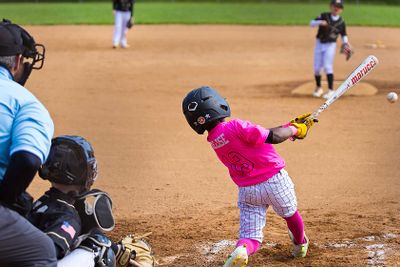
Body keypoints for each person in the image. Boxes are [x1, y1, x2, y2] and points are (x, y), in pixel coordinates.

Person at [182, 86, 317, 266]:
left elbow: (265, 136)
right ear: (216, 104)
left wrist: (287, 126)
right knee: (290, 214)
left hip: (248, 190)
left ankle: (242, 249)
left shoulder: (214, 139)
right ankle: (300, 244)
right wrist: (295, 130)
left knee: (250, 236)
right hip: (275, 181)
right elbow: (274, 137)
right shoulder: (235, 125)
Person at [28, 135, 155, 267]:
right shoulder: (67, 217)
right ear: (82, 173)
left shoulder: (42, 202)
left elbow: (86, 231)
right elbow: (45, 255)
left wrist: (118, 251)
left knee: (93, 239)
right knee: (100, 247)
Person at [0, 19, 57, 266]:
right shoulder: (25, 102)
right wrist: (7, 200)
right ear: (16, 62)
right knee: (42, 250)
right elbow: (27, 158)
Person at [310, 0, 352, 99]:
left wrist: (346, 43)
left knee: (328, 66)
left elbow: (343, 34)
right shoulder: (324, 15)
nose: (336, 8)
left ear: (341, 9)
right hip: (319, 44)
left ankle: (330, 90)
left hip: (330, 45)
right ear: (331, 6)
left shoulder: (341, 22)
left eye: (339, 6)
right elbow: (311, 23)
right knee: (317, 68)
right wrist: (320, 22)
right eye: (335, 5)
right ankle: (318, 88)